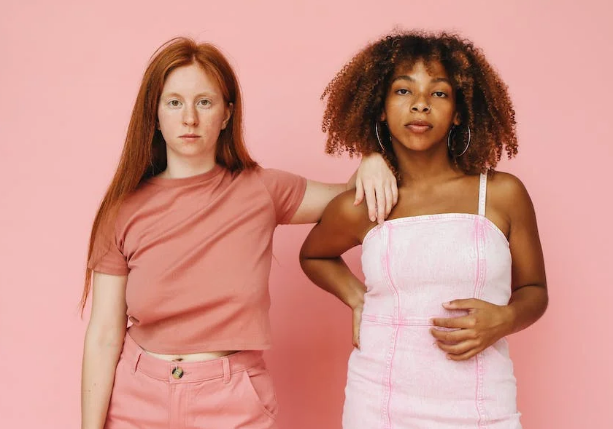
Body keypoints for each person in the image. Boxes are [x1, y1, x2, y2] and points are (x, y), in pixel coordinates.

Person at [80, 37, 397, 429]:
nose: (189, 118)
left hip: (230, 399)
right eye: (174, 102)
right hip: (136, 399)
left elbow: (358, 201)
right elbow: (104, 333)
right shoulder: (122, 210)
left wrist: (373, 157)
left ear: (227, 114)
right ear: (155, 115)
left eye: (205, 102)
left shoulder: (262, 189)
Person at [300, 31, 548, 428]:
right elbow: (313, 254)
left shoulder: (502, 195)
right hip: (379, 406)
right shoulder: (367, 204)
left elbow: (534, 289)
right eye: (403, 91)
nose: (420, 103)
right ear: (381, 108)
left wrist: (506, 318)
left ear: (459, 112)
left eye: (439, 93)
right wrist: (357, 299)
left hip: (483, 405)